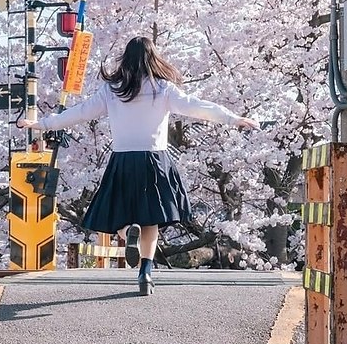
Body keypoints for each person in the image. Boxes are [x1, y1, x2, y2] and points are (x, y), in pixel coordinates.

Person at [17, 35, 256, 296]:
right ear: (153, 59)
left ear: (126, 59)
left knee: (119, 213)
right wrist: (233, 119)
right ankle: (145, 272)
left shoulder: (112, 90)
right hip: (155, 161)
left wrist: (41, 124)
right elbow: (197, 107)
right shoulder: (163, 89)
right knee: (151, 220)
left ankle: (128, 231)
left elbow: (80, 112)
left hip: (123, 159)